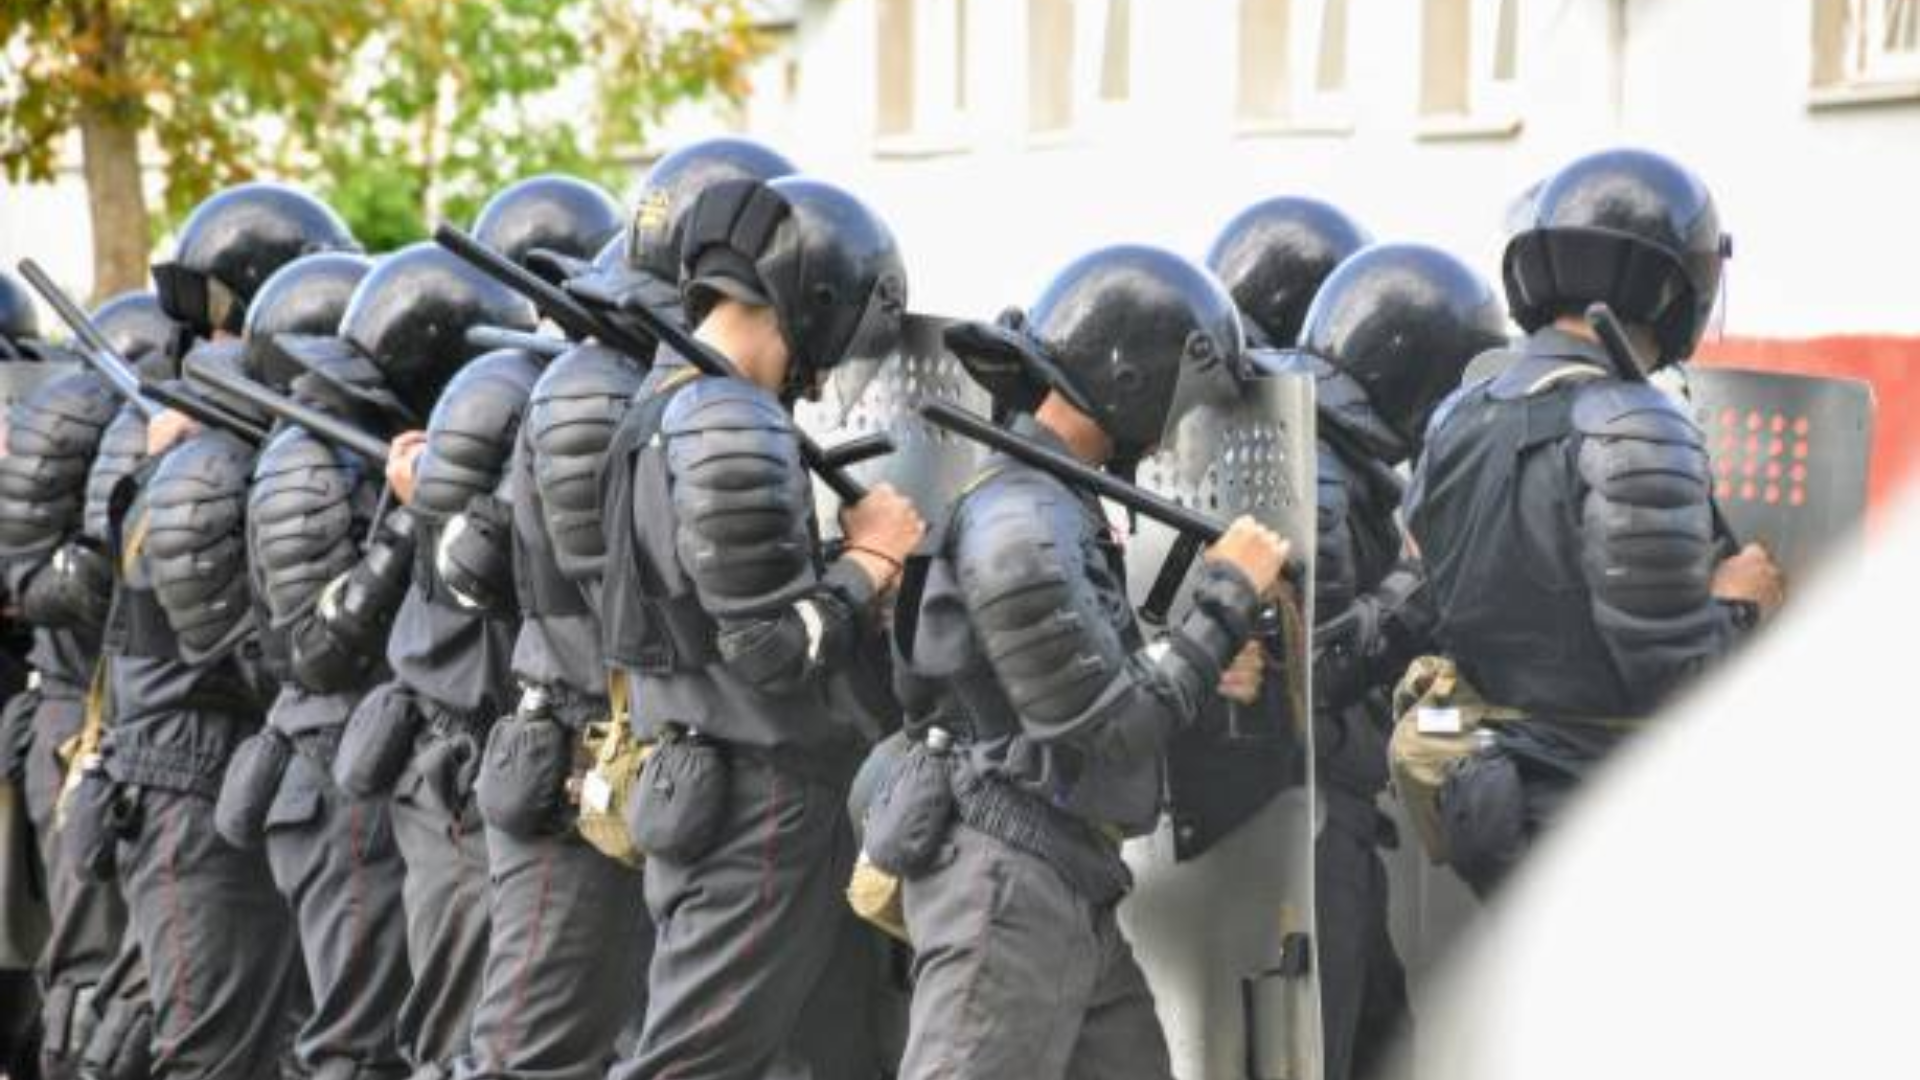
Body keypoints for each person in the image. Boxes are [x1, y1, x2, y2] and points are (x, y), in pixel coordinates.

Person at [882, 244, 1287, 1080]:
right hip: (1010, 882)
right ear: (1135, 378)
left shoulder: (1051, 503)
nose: (1181, 425)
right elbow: (1113, 725)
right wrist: (1225, 598)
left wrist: (1208, 668)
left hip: (1063, 874)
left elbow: (1099, 685)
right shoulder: (1024, 522)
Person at [452, 145, 796, 1080]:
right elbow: (656, 605)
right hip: (590, 755)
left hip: (627, 762)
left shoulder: (618, 381)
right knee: (534, 1053)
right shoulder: (616, 389)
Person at [1403, 148, 1786, 898]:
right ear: (1674, 282)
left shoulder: (1462, 412)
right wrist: (1742, 603)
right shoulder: (1637, 424)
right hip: (1595, 810)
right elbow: (1675, 676)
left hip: (1488, 791)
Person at [600, 173, 914, 1080]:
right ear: (812, 295)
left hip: (715, 783)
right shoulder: (731, 417)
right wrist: (871, 562)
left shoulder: (661, 402)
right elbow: (772, 650)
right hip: (756, 807)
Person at [93, 182, 358, 1080]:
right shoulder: (212, 458)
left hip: (194, 775)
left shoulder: (191, 441)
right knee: (209, 1051)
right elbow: (258, 656)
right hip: (190, 780)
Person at [1257, 242, 1510, 1080]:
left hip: (1326, 806)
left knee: (1376, 1035)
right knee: (1333, 1046)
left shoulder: (1322, 445)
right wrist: (1427, 570)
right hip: (1309, 813)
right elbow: (1320, 663)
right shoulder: (1318, 472)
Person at [296, 239, 536, 1080]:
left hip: (471, 792)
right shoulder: (446, 493)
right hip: (455, 787)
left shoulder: (455, 484)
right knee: (453, 1040)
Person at [219, 249, 420, 1080]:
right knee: (349, 1043)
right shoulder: (308, 459)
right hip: (334, 777)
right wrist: (407, 527)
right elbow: (314, 647)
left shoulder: (335, 447)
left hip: (344, 768)